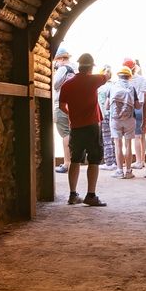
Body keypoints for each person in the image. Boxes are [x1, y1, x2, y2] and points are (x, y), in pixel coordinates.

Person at [57, 52, 108, 206]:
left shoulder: (67, 84)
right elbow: (107, 75)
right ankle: (91, 195)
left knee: (75, 160)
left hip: (76, 127)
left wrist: (72, 114)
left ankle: (73, 195)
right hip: (92, 126)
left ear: (78, 66)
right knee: (94, 160)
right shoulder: (94, 80)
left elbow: (62, 106)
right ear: (91, 68)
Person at [109, 65, 140, 179]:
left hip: (115, 120)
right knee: (128, 145)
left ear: (118, 76)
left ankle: (119, 171)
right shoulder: (132, 88)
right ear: (129, 77)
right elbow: (137, 106)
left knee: (118, 144)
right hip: (129, 119)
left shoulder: (113, 87)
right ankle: (128, 171)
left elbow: (107, 106)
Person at [52, 48, 75, 173]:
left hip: (61, 104)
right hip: (72, 104)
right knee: (70, 133)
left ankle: (67, 163)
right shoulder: (74, 69)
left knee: (65, 133)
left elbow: (55, 85)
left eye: (56, 60)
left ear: (61, 59)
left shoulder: (63, 69)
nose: (55, 63)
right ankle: (73, 161)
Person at [98, 65, 116, 169]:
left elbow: (101, 104)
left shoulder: (101, 87)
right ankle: (116, 161)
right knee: (114, 139)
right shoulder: (114, 85)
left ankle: (109, 162)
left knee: (107, 139)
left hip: (104, 115)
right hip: (114, 115)